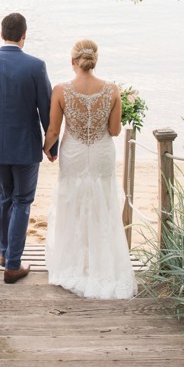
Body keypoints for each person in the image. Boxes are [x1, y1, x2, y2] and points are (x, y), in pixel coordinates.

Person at [43, 39, 137, 299]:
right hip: (102, 153)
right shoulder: (112, 90)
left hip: (73, 153)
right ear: (95, 60)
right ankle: (102, 266)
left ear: (72, 61)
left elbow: (53, 130)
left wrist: (46, 148)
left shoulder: (61, 90)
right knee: (102, 204)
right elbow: (115, 130)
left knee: (72, 203)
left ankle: (73, 264)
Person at [0, 13, 56, 284]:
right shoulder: (35, 66)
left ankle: (4, 253)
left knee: (3, 197)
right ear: (24, 35)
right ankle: (13, 264)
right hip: (25, 146)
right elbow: (47, 109)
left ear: (1, 33)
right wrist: (51, 146)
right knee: (22, 201)